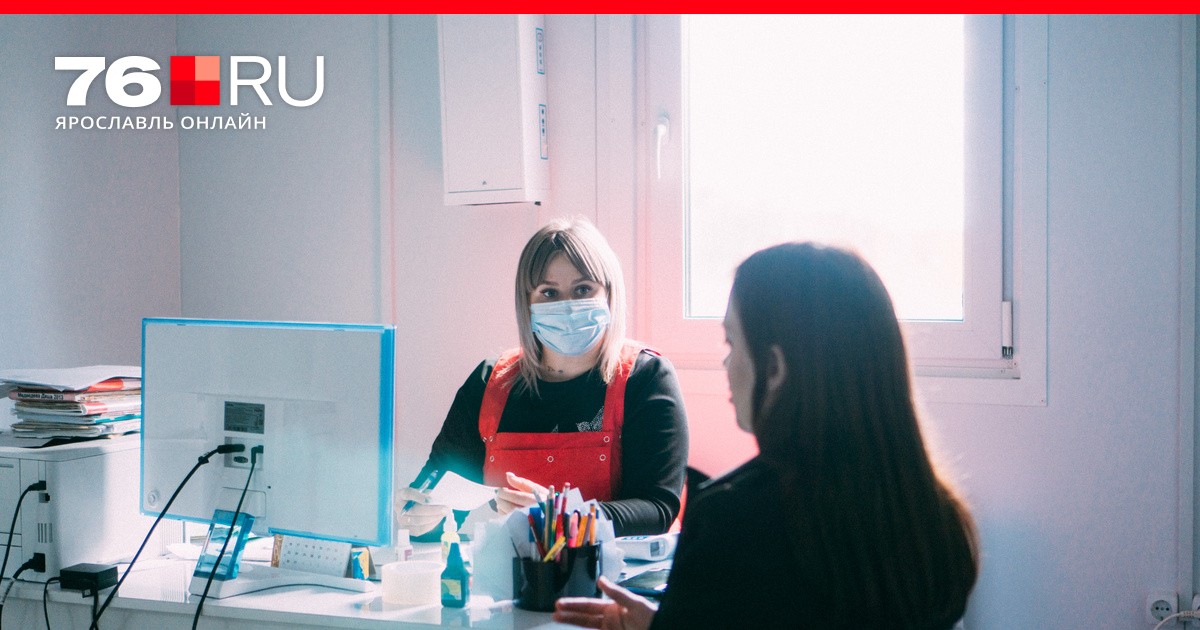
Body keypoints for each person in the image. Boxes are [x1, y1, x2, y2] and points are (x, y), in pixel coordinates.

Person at [554, 242, 979, 629]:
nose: (727, 364)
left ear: (774, 368)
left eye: (732, 344)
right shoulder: (939, 521)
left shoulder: (732, 522)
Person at [397, 217, 689, 539]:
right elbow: (438, 497)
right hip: (515, 563)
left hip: (617, 566)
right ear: (527, 303)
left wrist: (564, 516)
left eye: (583, 289)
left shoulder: (645, 378)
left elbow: (657, 509)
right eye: (549, 293)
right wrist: (419, 517)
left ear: (609, 293)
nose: (567, 306)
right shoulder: (488, 383)